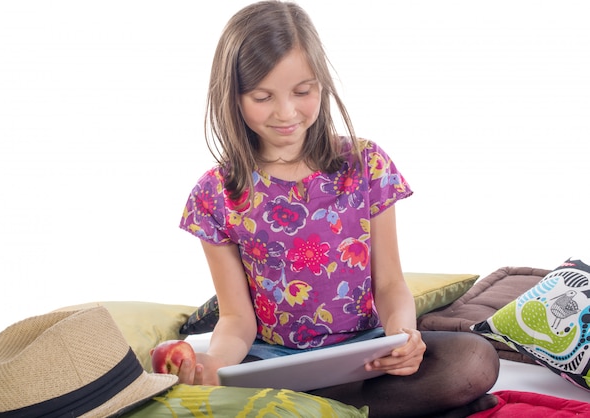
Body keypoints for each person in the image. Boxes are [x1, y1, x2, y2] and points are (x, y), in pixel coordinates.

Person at [178, 1, 500, 417]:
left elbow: (389, 285)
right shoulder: (215, 193)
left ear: (322, 85)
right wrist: (217, 364)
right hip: (274, 360)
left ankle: (318, 410)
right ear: (233, 96)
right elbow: (237, 317)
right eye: (262, 96)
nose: (286, 112)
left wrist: (403, 337)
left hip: (365, 353)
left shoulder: (366, 164)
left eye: (302, 91)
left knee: (474, 359)